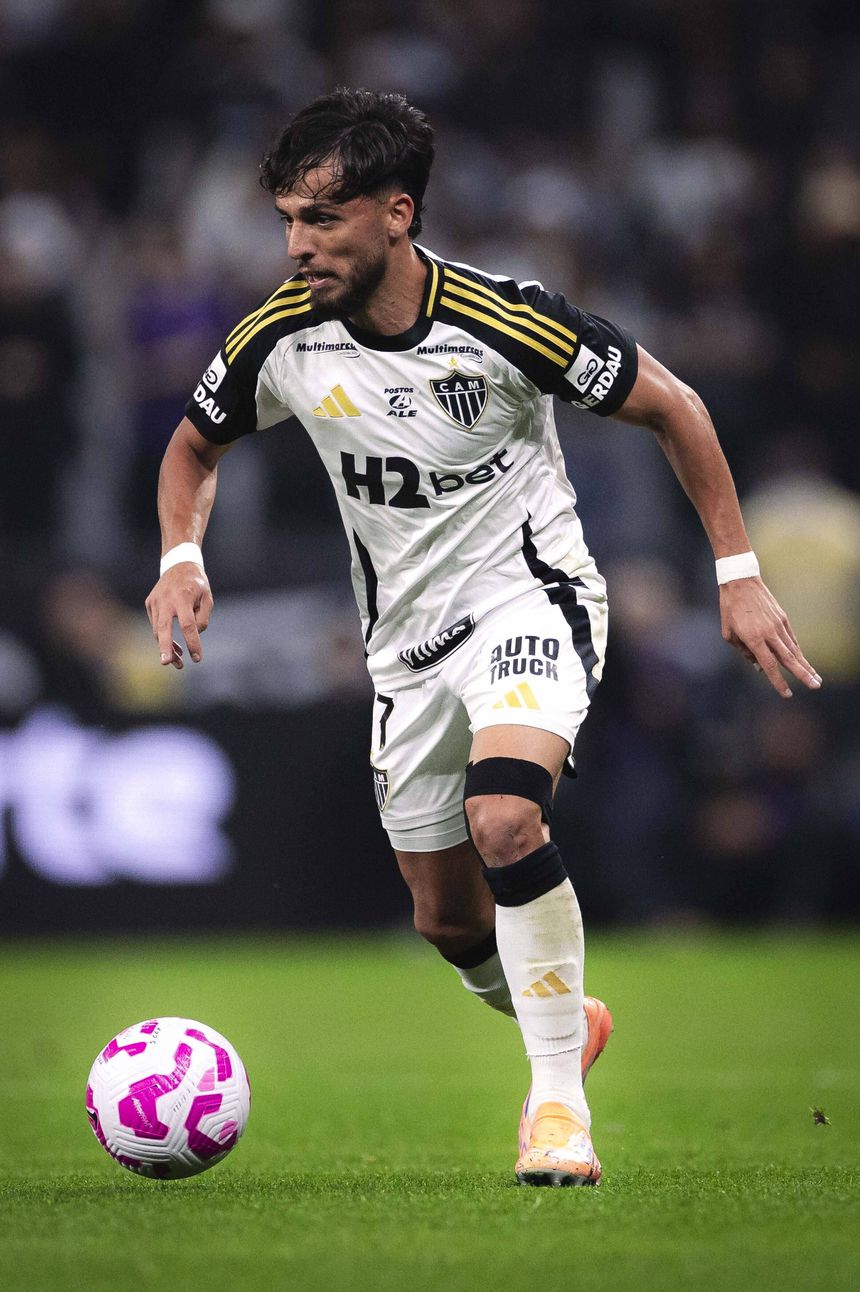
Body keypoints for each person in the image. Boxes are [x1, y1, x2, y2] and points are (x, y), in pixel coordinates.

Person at [145, 88, 821, 1187]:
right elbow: (190, 449)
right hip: (401, 647)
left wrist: (735, 577)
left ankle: (556, 1109)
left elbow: (674, 405)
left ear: (396, 213)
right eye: (287, 220)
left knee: (504, 817)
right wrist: (182, 556)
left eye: (322, 218)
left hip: (530, 600)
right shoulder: (278, 333)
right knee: (446, 919)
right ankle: (566, 1019)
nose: (297, 245)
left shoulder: (506, 318)